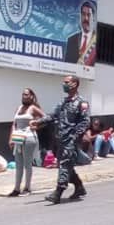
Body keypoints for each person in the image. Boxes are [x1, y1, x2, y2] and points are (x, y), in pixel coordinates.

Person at [32, 75, 91, 205]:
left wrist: (75, 136)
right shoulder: (64, 102)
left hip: (71, 139)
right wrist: (38, 122)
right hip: (60, 139)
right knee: (66, 164)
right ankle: (79, 187)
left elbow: (85, 121)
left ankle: (58, 192)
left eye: (66, 82)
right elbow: (53, 115)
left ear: (75, 84)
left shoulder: (81, 103)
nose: (64, 84)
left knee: (64, 164)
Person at [8, 88, 45, 197]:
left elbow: (46, 118)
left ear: (31, 96)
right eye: (23, 94)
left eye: (26, 94)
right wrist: (11, 138)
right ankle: (16, 188)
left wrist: (37, 126)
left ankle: (27, 187)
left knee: (27, 164)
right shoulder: (18, 108)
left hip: (29, 137)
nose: (24, 96)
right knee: (18, 164)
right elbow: (14, 124)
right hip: (18, 137)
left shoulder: (33, 108)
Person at [65, 1, 97, 66]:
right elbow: (66, 66)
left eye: (89, 15)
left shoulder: (97, 41)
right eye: (83, 14)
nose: (86, 18)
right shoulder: (71, 40)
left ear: (93, 18)